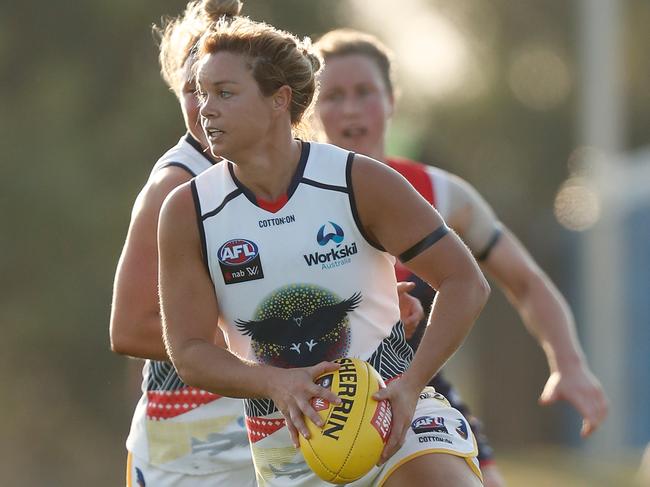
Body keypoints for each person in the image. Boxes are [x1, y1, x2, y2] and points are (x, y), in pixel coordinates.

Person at [159, 15, 491, 487]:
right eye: (201, 92)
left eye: (225, 93)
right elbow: (188, 350)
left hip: (389, 411)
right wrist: (274, 383)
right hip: (287, 439)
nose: (205, 110)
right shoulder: (187, 210)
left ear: (279, 100)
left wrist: (411, 384)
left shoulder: (358, 180)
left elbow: (465, 283)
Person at [313, 28, 610, 486]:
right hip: (320, 408)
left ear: (392, 100)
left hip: (420, 394)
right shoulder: (285, 203)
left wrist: (568, 363)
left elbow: (526, 282)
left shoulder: (441, 194)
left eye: (365, 92)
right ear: (308, 108)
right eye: (333, 95)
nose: (351, 109)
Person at [109, 1, 260, 486]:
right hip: (190, 447)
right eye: (191, 89)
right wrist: (266, 348)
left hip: (265, 427)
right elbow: (130, 329)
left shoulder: (268, 171)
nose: (205, 103)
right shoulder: (174, 185)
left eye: (220, 88)